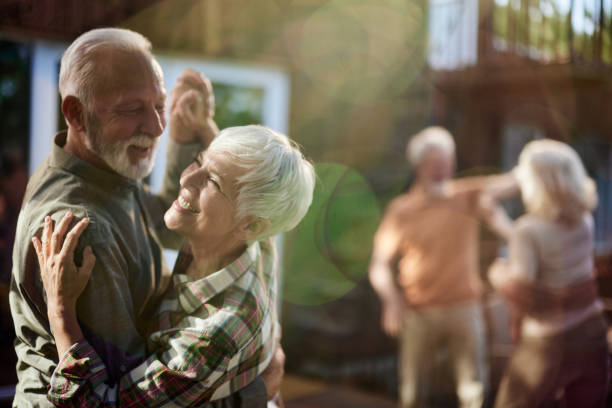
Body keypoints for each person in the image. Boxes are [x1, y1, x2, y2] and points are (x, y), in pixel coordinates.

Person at [9, 28, 280, 407]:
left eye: (159, 104)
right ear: (75, 113)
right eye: (132, 109)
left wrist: (189, 139)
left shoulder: (102, 172)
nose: (156, 127)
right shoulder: (84, 231)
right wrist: (259, 387)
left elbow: (174, 225)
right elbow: (126, 393)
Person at [33, 125, 315, 406]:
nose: (188, 179)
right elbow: (236, 180)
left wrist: (61, 310)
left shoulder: (215, 332)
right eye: (198, 161)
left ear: (250, 225)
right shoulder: (259, 243)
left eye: (212, 182)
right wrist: (199, 123)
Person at [368, 126, 517, 408]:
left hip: (465, 307)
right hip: (418, 313)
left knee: (472, 390)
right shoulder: (401, 210)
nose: (442, 170)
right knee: (413, 391)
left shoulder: (466, 194)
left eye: (447, 162)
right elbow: (379, 265)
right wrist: (391, 301)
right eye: (435, 163)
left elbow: (511, 182)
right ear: (419, 165)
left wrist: (537, 163)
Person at [488, 139, 608, 408]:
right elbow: (549, 248)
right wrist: (505, 228)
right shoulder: (584, 220)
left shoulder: (527, 230)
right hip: (591, 330)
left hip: (548, 340)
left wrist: (496, 275)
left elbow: (523, 293)